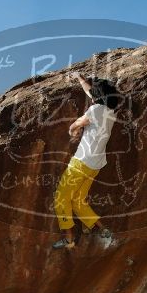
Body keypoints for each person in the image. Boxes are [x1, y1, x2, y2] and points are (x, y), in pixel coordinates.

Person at [52, 72, 119, 249]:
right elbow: (92, 94)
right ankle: (103, 229)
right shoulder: (111, 113)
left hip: (81, 163)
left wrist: (71, 130)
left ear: (98, 97)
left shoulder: (95, 110)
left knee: (61, 198)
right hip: (95, 165)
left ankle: (69, 239)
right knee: (78, 201)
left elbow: (76, 124)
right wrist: (79, 78)